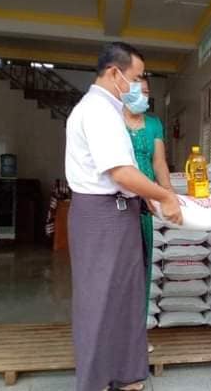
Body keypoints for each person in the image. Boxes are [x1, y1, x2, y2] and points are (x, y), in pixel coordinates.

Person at [65, 41, 182, 391]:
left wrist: (145, 197)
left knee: (125, 296)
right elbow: (120, 172)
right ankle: (96, 380)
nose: (139, 84)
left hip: (120, 211)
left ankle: (126, 372)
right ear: (115, 73)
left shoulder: (109, 110)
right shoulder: (97, 111)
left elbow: (128, 174)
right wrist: (164, 195)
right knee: (99, 299)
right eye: (137, 76)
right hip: (102, 215)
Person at [122, 76, 173, 353]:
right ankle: (114, 338)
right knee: (119, 272)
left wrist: (168, 194)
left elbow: (159, 162)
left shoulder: (154, 124)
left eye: (146, 92)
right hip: (118, 203)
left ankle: (136, 337)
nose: (142, 96)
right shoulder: (112, 121)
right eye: (136, 91)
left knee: (141, 270)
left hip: (146, 207)